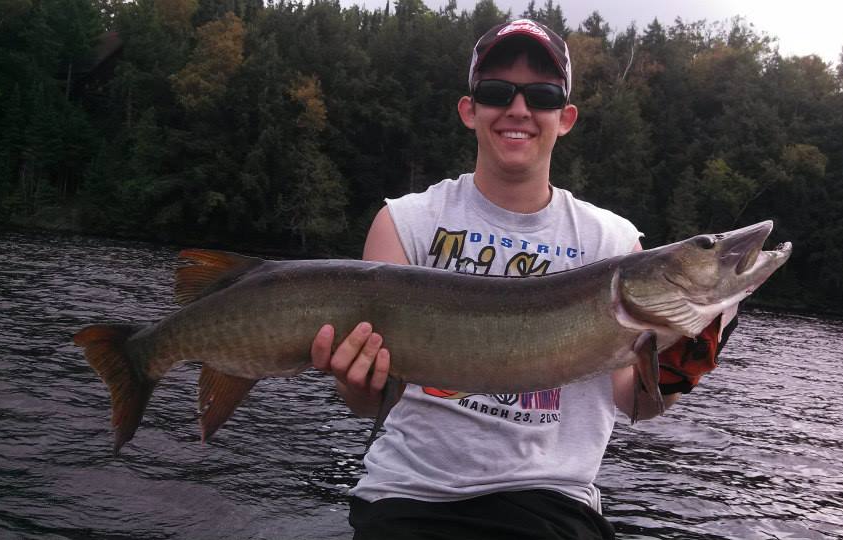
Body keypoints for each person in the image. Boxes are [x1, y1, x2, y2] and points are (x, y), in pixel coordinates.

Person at [310, 19, 733, 539]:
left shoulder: (615, 242)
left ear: (566, 117)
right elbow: (371, 402)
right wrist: (356, 384)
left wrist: (680, 371)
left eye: (541, 95)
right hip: (410, 497)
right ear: (470, 110)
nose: (518, 109)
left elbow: (635, 402)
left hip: (552, 502)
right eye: (496, 91)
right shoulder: (406, 222)